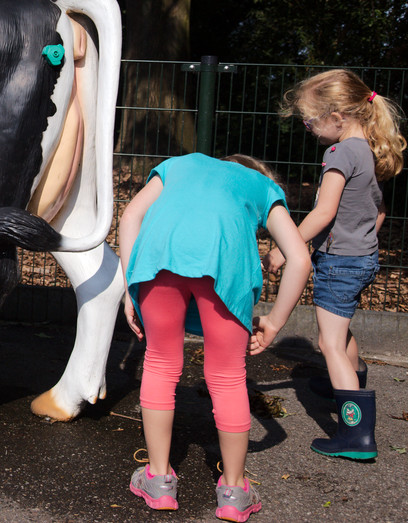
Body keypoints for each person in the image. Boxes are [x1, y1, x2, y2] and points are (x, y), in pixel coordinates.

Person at [119, 153, 311, 522]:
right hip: (226, 264)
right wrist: (274, 321)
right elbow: (299, 259)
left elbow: (131, 216)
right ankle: (235, 491)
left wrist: (131, 288)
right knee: (227, 377)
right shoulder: (261, 186)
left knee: (160, 362)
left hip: (160, 256)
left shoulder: (181, 164)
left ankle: (157, 480)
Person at [264, 69, 405, 460]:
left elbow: (324, 212)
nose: (309, 128)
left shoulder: (339, 153)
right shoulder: (370, 150)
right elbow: (378, 210)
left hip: (341, 263)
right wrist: (365, 240)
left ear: (337, 117)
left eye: (311, 120)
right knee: (340, 331)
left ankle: (355, 435)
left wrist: (286, 246)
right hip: (363, 259)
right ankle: (349, 382)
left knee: (328, 342)